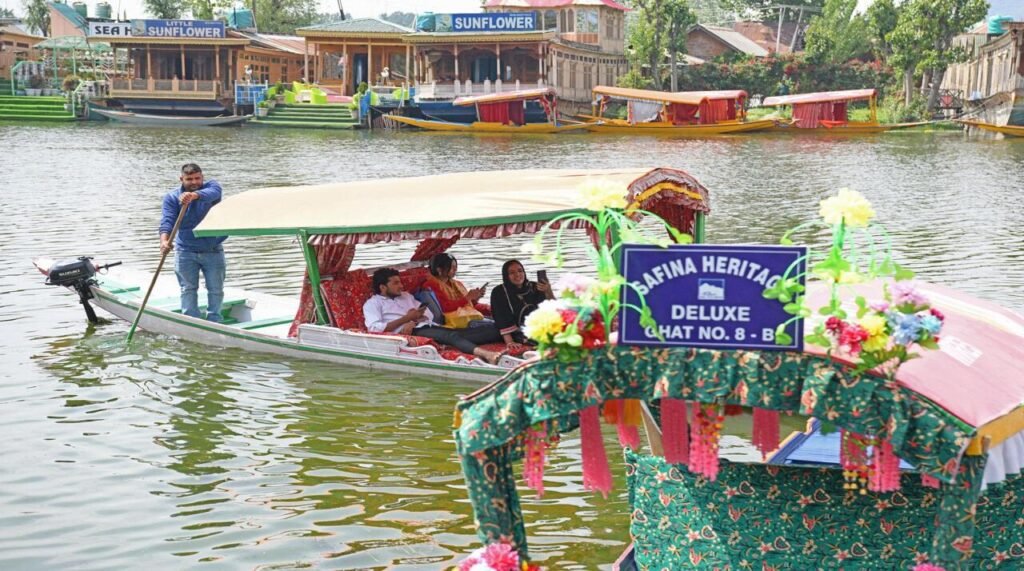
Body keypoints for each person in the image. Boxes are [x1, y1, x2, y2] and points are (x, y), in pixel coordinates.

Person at [363, 268, 503, 365]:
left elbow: (427, 312)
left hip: (426, 325)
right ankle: (486, 355)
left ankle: (517, 337)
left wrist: (416, 317)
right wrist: (406, 319)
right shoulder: (372, 304)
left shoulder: (405, 296)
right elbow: (375, 328)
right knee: (453, 337)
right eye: (396, 283)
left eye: (400, 281)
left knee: (488, 329)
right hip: (413, 332)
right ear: (382, 287)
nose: (401, 285)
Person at [160, 163, 227, 322]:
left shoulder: (213, 187)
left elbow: (212, 193)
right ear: (181, 179)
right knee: (188, 289)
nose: (194, 182)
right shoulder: (172, 197)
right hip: (185, 251)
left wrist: (194, 196)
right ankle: (191, 321)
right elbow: (167, 221)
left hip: (213, 249)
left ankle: (215, 320)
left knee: (216, 289)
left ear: (202, 177)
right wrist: (164, 241)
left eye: (197, 178)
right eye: (189, 179)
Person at [423, 253, 497, 333]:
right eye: (452, 267)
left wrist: (475, 297)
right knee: (499, 325)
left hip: (469, 315)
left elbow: (468, 305)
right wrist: (468, 297)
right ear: (439, 270)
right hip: (457, 322)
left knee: (497, 313)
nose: (455, 270)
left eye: (456, 267)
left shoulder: (457, 283)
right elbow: (445, 308)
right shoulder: (431, 285)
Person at [490, 260, 553, 350]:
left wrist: (548, 291)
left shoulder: (534, 286)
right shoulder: (499, 292)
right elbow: (500, 317)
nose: (517, 275)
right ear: (506, 276)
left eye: (520, 271)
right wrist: (509, 341)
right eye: (512, 273)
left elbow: (552, 307)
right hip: (518, 331)